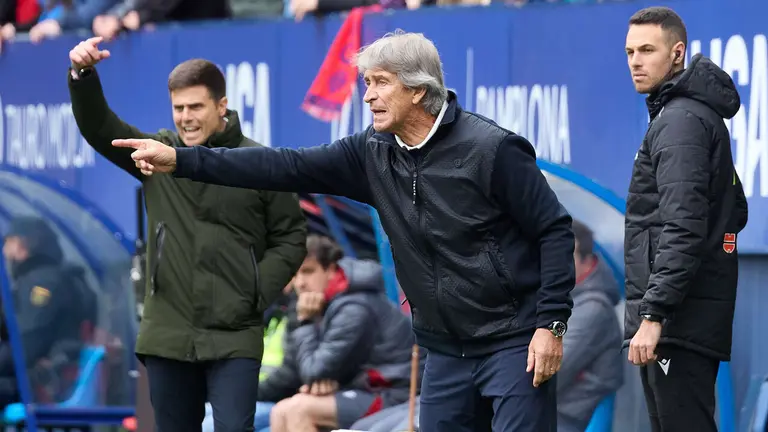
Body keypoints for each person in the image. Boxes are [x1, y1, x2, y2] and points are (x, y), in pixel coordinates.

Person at [114, 30, 576, 431]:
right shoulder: (370, 153)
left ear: (418, 90)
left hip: (515, 339)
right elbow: (283, 165)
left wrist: (550, 324)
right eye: (366, 83)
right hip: (443, 348)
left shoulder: (492, 149)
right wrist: (181, 161)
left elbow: (554, 229)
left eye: (380, 83)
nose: (368, 95)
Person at [67, 37, 308, 431]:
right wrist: (82, 75)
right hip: (168, 335)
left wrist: (254, 292)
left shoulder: (259, 163)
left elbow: (292, 236)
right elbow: (99, 128)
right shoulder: (155, 154)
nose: (185, 117)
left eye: (195, 106)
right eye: (178, 108)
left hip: (234, 335)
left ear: (221, 106)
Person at [624, 7, 748, 431]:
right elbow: (735, 209)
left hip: (676, 320)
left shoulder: (680, 122)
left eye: (646, 50)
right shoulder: (680, 115)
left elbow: (683, 227)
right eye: (629, 52)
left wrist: (653, 314)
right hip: (679, 316)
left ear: (677, 53)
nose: (635, 62)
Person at [254, 235, 415, 432]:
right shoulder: (320, 302)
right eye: (295, 274)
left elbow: (314, 371)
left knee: (299, 410)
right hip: (360, 387)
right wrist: (321, 381)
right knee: (281, 411)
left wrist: (304, 322)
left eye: (308, 271)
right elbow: (307, 370)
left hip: (394, 392)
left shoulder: (354, 307)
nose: (300, 283)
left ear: (331, 269)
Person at [0, 216, 97, 405]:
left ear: (23, 244)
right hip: (39, 378)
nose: (4, 251)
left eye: (8, 242)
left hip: (43, 382)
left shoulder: (42, 283)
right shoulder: (47, 278)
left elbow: (27, 344)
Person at [556, 220, 622, 432]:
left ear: (586, 261)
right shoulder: (565, 299)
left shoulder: (594, 309)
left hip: (565, 419)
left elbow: (552, 372)